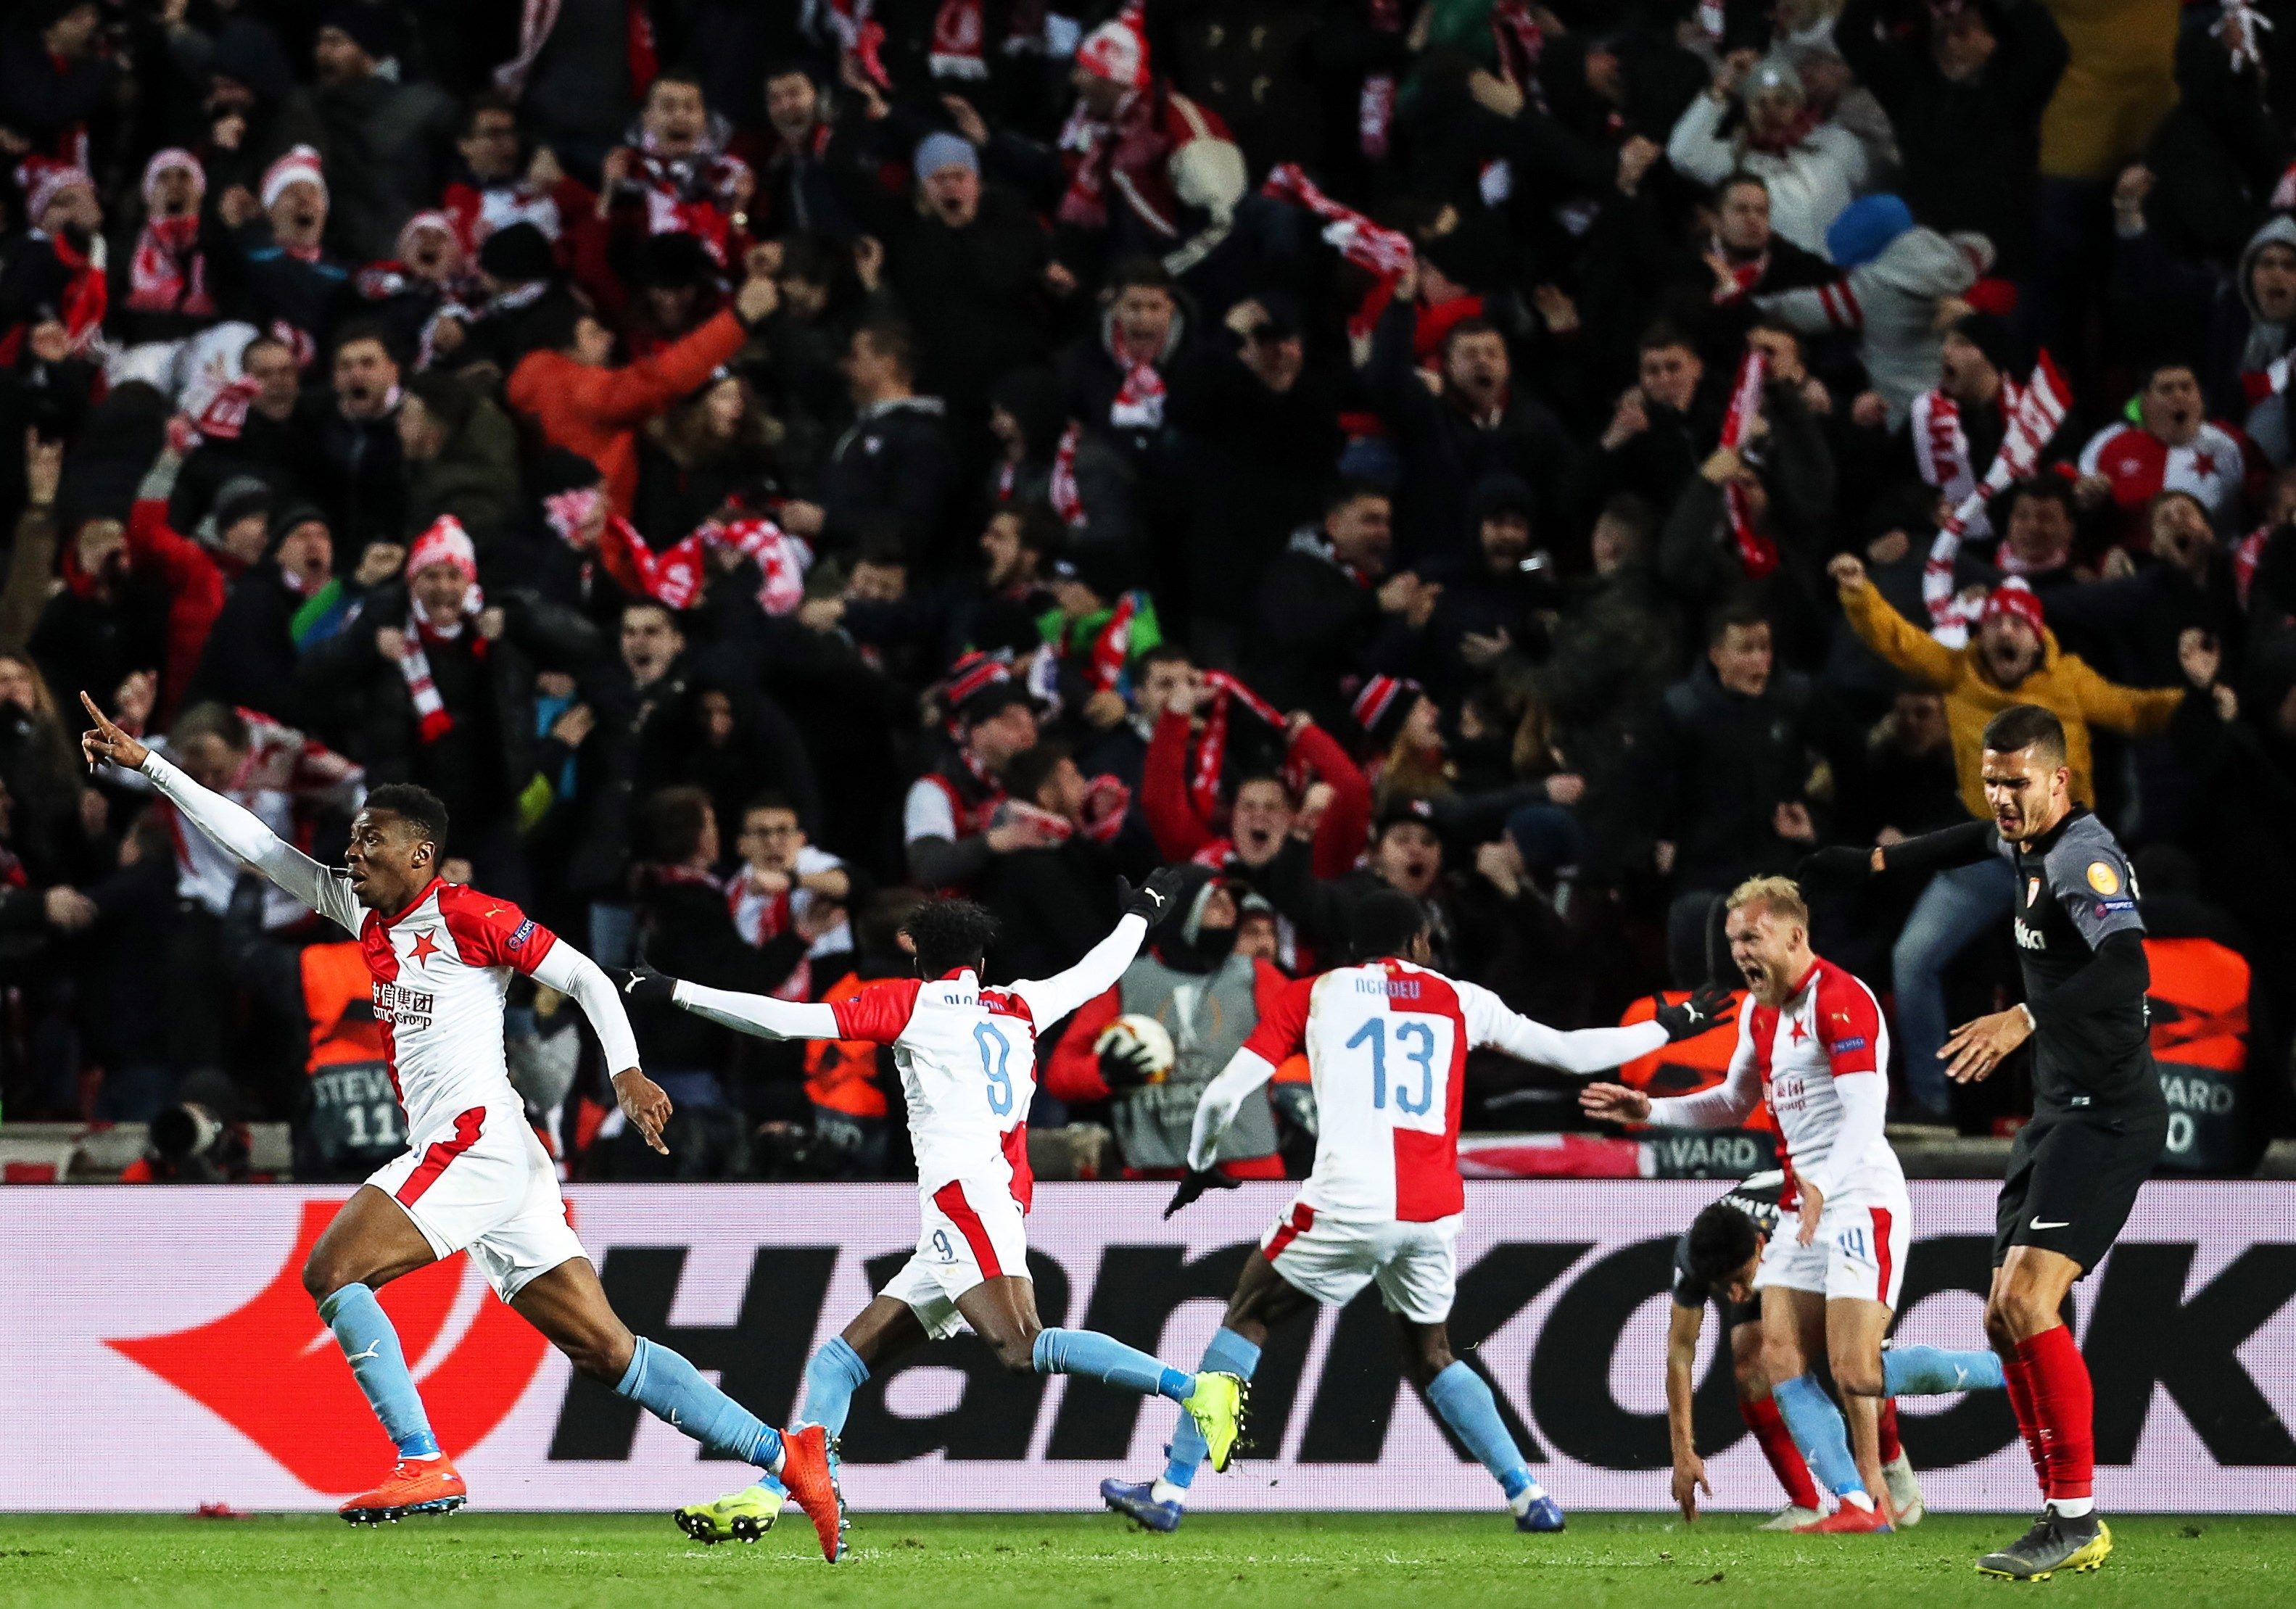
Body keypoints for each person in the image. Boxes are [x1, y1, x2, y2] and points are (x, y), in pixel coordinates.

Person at [74, 693, 847, 1560]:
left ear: (421, 854)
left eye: (371, 839)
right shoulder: (362, 912)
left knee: (333, 1269)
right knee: (604, 1348)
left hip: (472, 1140)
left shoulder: (472, 916)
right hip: (503, 1155)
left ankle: (422, 1459)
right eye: (352, 838)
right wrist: (153, 767)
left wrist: (626, 1070)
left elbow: (589, 977)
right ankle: (789, 1455)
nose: (352, 850)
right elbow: (255, 843)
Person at [625, 874, 1249, 1543]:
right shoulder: (1020, 1003)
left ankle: (1193, 1389)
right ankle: (778, 1489)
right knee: (839, 1362)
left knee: (1021, 1346)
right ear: (981, 962)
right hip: (983, 1205)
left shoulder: (910, 1004)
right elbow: (1100, 969)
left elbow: (784, 1021)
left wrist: (673, 990)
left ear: (918, 959)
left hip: (967, 1203)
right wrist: (1140, 913)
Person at [1105, 888, 1735, 1534]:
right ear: (1417, 943)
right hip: (1433, 1209)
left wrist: (1203, 1161)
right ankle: (1530, 1494)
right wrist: (1667, 1025)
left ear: (1354, 949)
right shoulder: (1461, 998)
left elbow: (1220, 1096)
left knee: (1248, 1315)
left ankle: (1171, 1489)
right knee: (1430, 1350)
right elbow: (1569, 1052)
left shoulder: (1314, 992)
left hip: (1349, 1197)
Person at [1799, 704, 2169, 1579]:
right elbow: (1966, 839)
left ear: (2058, 780)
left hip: (2108, 1112)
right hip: (2057, 1111)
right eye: (1991, 779)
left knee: (2031, 1301)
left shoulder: (2082, 854)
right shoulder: (2023, 839)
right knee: (2001, 1314)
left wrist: (2024, 1014)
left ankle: (2073, 1515)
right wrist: (1872, 862)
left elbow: (2128, 965)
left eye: (2016, 782)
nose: (2001, 797)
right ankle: (2059, 1512)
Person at [1583, 877, 1996, 1533]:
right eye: (1732, 940)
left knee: (1857, 1369)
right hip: (1803, 1197)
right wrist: (1651, 1109)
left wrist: (1823, 1183)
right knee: (1778, 1355)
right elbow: (1730, 1100)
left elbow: (1865, 1112)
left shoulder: (1843, 1000)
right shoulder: (1759, 1010)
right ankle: (1855, 1504)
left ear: (1794, 935)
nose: (1741, 952)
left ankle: (2011, 1370)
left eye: (1752, 936)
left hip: (1859, 1196)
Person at [1663, 1173, 2004, 1531]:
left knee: (1855, 1364)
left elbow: (1856, 1371)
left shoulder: (1804, 1230)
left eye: (1737, 1279)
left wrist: (1868, 1467)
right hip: (1776, 1247)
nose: (1733, 1296)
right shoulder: (1694, 1253)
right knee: (1752, 1365)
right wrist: (1683, 1451)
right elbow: (1680, 1352)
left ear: (1761, 1246)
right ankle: (1807, 1505)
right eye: (1721, 1286)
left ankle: (1889, 1466)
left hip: (1838, 1225)